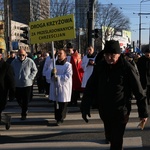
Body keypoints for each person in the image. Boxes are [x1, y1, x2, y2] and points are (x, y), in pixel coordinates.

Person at [81, 40, 148, 150]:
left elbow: (138, 91)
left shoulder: (126, 67)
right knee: (110, 135)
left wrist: (143, 113)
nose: (109, 58)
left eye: (112, 55)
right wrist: (85, 106)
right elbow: (90, 87)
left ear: (119, 54)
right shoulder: (100, 67)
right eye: (107, 55)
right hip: (105, 109)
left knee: (117, 140)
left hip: (121, 110)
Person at [47, 49, 72, 126]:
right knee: (56, 103)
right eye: (58, 53)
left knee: (63, 103)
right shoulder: (54, 64)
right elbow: (47, 73)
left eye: (60, 53)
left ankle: (61, 117)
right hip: (55, 86)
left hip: (64, 87)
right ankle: (57, 117)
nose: (59, 55)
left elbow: (68, 76)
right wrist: (51, 72)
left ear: (65, 55)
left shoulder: (68, 65)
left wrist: (57, 77)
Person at [11, 49, 37, 120]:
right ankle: (23, 107)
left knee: (26, 99)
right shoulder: (14, 62)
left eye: (23, 55)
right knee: (18, 99)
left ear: (26, 54)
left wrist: (30, 77)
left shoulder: (30, 61)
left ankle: (24, 113)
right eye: (20, 55)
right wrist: (13, 78)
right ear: (18, 55)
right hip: (17, 84)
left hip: (27, 84)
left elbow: (35, 70)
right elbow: (11, 71)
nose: (21, 56)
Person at [0, 49, 15, 129]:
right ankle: (6, 119)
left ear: (1, 56)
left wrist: (12, 93)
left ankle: (6, 119)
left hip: (2, 93)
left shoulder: (6, 66)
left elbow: (11, 81)